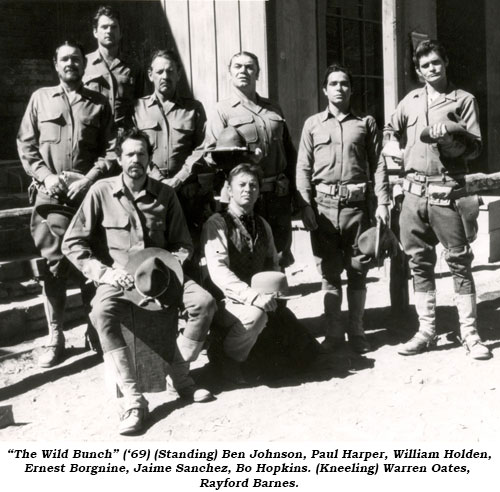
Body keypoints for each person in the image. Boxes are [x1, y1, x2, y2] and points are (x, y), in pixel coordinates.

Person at [62, 128, 216, 434]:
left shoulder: (165, 194)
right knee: (101, 313)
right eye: (130, 154)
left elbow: (184, 243)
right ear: (119, 158)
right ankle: (133, 400)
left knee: (203, 303)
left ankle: (179, 376)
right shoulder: (101, 192)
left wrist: (170, 267)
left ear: (149, 158)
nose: (136, 159)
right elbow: (72, 243)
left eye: (141, 154)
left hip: (163, 275)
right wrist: (104, 272)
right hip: (119, 278)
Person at [384, 39, 491, 360]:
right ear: (418, 71)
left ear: (445, 64)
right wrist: (392, 146)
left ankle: (470, 332)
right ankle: (427, 330)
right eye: (425, 65)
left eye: (436, 63)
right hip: (414, 193)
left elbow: (475, 148)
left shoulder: (463, 100)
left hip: (447, 191)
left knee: (458, 260)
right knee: (419, 263)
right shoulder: (410, 101)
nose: (432, 69)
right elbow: (391, 128)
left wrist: (450, 142)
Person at [17, 40, 115, 368]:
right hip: (50, 200)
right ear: (55, 65)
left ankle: (94, 329)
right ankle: (55, 336)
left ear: (84, 66)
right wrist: (44, 176)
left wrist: (89, 179)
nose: (71, 63)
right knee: (54, 269)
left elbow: (111, 151)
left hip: (87, 200)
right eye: (65, 59)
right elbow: (26, 144)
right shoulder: (40, 99)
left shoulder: (99, 103)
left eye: (76, 59)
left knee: (90, 263)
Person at [296, 64, 390, 353]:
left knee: (358, 271)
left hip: (356, 209)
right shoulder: (313, 124)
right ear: (325, 90)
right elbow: (303, 167)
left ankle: (357, 331)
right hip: (323, 210)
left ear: (351, 89)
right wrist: (304, 206)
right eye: (334, 83)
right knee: (329, 273)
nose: (339, 88)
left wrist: (383, 202)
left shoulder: (365, 123)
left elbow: (378, 165)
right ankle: (334, 334)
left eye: (345, 83)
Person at [202, 164, 319, 384]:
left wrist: (274, 292)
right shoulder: (217, 224)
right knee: (255, 316)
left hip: (260, 299)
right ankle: (226, 358)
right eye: (242, 185)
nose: (248, 189)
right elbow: (218, 271)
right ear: (229, 189)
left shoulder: (263, 225)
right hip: (227, 301)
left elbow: (273, 263)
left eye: (253, 185)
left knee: (303, 352)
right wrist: (253, 297)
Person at [203, 51, 298, 268]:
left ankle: (277, 298)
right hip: (245, 195)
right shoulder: (222, 111)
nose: (243, 71)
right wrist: (244, 157)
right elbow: (210, 156)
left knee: (278, 253)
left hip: (277, 194)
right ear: (229, 73)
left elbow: (288, 151)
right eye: (237, 67)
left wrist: (295, 193)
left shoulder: (273, 108)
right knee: (246, 251)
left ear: (258, 73)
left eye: (249, 67)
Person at [133, 49, 211, 263]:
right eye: (159, 71)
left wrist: (178, 179)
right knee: (152, 248)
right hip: (149, 191)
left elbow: (202, 147)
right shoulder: (137, 108)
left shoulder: (193, 109)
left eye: (170, 71)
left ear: (178, 74)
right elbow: (134, 147)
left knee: (189, 251)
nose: (165, 76)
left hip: (185, 192)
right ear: (150, 75)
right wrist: (157, 179)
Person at [84, 5, 141, 130]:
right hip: (92, 136)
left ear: (121, 33)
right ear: (95, 32)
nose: (109, 31)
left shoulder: (133, 67)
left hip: (123, 137)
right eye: (104, 27)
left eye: (114, 27)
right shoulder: (84, 63)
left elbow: (142, 106)